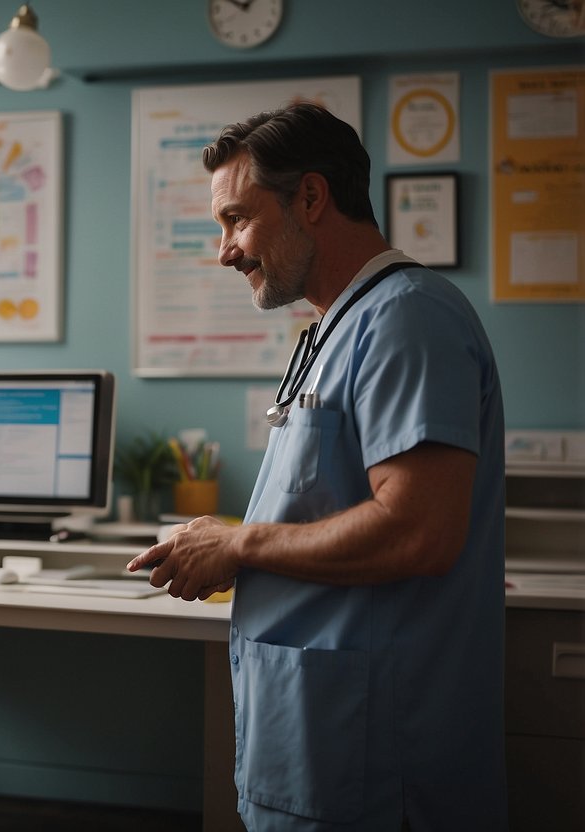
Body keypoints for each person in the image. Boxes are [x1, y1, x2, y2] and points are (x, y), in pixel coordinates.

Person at [127, 103, 506, 831]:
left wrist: (238, 543)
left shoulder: (407, 317)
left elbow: (417, 530)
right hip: (322, 743)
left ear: (309, 197)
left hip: (376, 756)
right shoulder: (338, 326)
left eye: (236, 219)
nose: (225, 251)